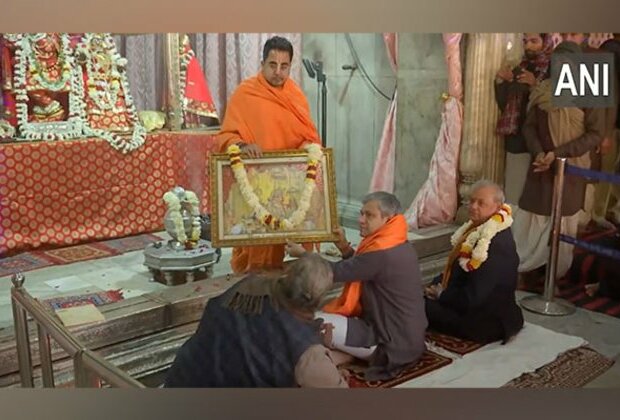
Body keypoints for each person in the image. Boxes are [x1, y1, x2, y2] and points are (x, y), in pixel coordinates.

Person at [286, 191, 427, 381]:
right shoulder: (397, 242)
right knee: (325, 323)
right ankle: (340, 355)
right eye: (361, 213)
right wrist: (344, 246)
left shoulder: (382, 253)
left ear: (388, 218)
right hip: (408, 339)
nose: (361, 220)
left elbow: (333, 272)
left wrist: (304, 255)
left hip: (389, 344)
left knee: (309, 320)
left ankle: (336, 356)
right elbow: (361, 268)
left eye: (369, 215)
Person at [216, 35, 320, 274]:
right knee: (260, 252)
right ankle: (256, 292)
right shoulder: (246, 94)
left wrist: (306, 147)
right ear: (262, 64)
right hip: (257, 186)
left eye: (284, 66)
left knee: (294, 252)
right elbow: (226, 135)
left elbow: (309, 136)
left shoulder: (295, 95)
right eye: (272, 65)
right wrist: (241, 145)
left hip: (290, 185)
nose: (278, 72)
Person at [163, 253, 349, 388]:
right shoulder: (307, 350)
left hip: (181, 380)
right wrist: (327, 358)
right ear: (318, 299)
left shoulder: (247, 286)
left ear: (288, 274)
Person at [513, 41, 606, 282]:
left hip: (570, 167)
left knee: (562, 222)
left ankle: (553, 276)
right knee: (532, 218)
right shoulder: (543, 89)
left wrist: (559, 153)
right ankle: (526, 268)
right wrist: (539, 153)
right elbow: (529, 126)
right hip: (540, 165)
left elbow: (595, 133)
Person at [424, 180, 524, 344]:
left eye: (481, 203)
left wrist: (441, 294)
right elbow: (459, 270)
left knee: (414, 306)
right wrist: (436, 284)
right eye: (471, 201)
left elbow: (473, 298)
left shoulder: (491, 243)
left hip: (483, 321)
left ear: (498, 207)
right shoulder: (480, 228)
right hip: (484, 309)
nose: (473, 207)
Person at [495, 33, 552, 204]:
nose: (528, 47)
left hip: (543, 140)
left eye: (534, 41)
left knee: (537, 197)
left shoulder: (554, 68)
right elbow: (505, 104)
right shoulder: (521, 67)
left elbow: (555, 106)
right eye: (525, 42)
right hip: (518, 138)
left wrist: (535, 85)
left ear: (546, 42)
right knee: (513, 193)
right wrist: (501, 82)